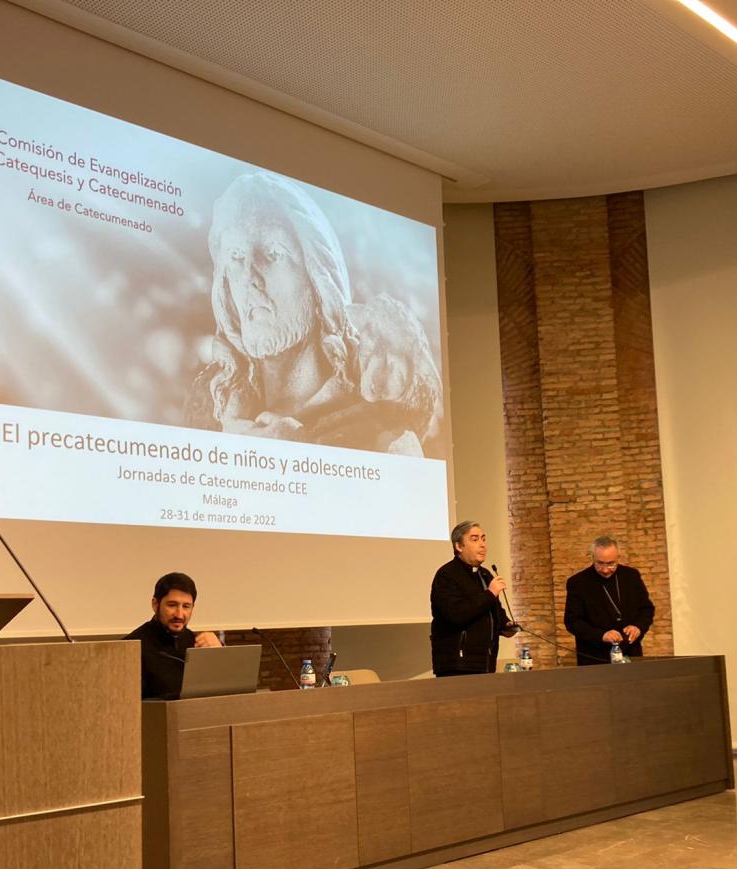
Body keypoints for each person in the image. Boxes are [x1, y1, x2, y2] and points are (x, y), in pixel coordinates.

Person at [188, 172, 441, 455]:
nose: (249, 277)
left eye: (273, 253)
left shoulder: (382, 431)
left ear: (318, 276)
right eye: (235, 257)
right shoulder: (213, 408)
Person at [430, 520, 516, 676]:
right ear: (459, 546)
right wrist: (490, 593)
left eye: (484, 538)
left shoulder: (485, 574)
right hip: (458, 665)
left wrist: (506, 625)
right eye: (475, 539)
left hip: (485, 663)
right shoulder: (447, 575)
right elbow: (457, 614)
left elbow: (494, 611)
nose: (482, 544)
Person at [124, 572, 222, 700]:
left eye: (186, 606)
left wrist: (219, 653)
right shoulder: (131, 647)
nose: (179, 615)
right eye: (172, 605)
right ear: (155, 604)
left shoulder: (196, 642)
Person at [563, 536, 655, 664]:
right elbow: (572, 621)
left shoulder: (631, 576)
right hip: (594, 656)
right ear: (592, 558)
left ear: (618, 558)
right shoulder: (578, 582)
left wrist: (638, 627)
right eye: (600, 563)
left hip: (630, 652)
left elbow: (646, 609)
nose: (605, 570)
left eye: (611, 564)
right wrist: (601, 635)